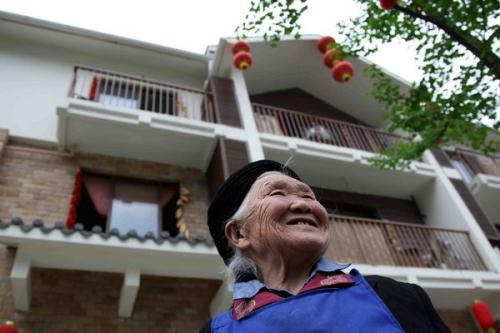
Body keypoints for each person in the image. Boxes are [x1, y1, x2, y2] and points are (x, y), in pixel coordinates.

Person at [201, 160, 450, 333]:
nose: (303, 205)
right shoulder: (218, 330)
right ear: (239, 232)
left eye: (308, 196)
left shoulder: (397, 296)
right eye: (277, 193)